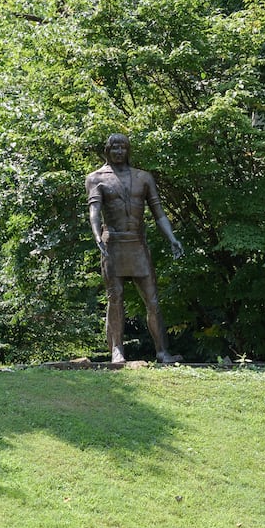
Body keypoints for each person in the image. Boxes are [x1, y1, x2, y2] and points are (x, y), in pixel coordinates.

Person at [86, 133, 185, 364]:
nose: (119, 152)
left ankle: (162, 352)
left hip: (138, 244)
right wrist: (96, 234)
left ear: (128, 150)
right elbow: (94, 211)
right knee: (115, 298)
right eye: (114, 148)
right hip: (113, 244)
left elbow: (158, 212)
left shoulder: (143, 177)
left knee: (152, 300)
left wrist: (172, 238)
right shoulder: (96, 178)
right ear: (107, 150)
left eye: (123, 147)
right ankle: (117, 350)